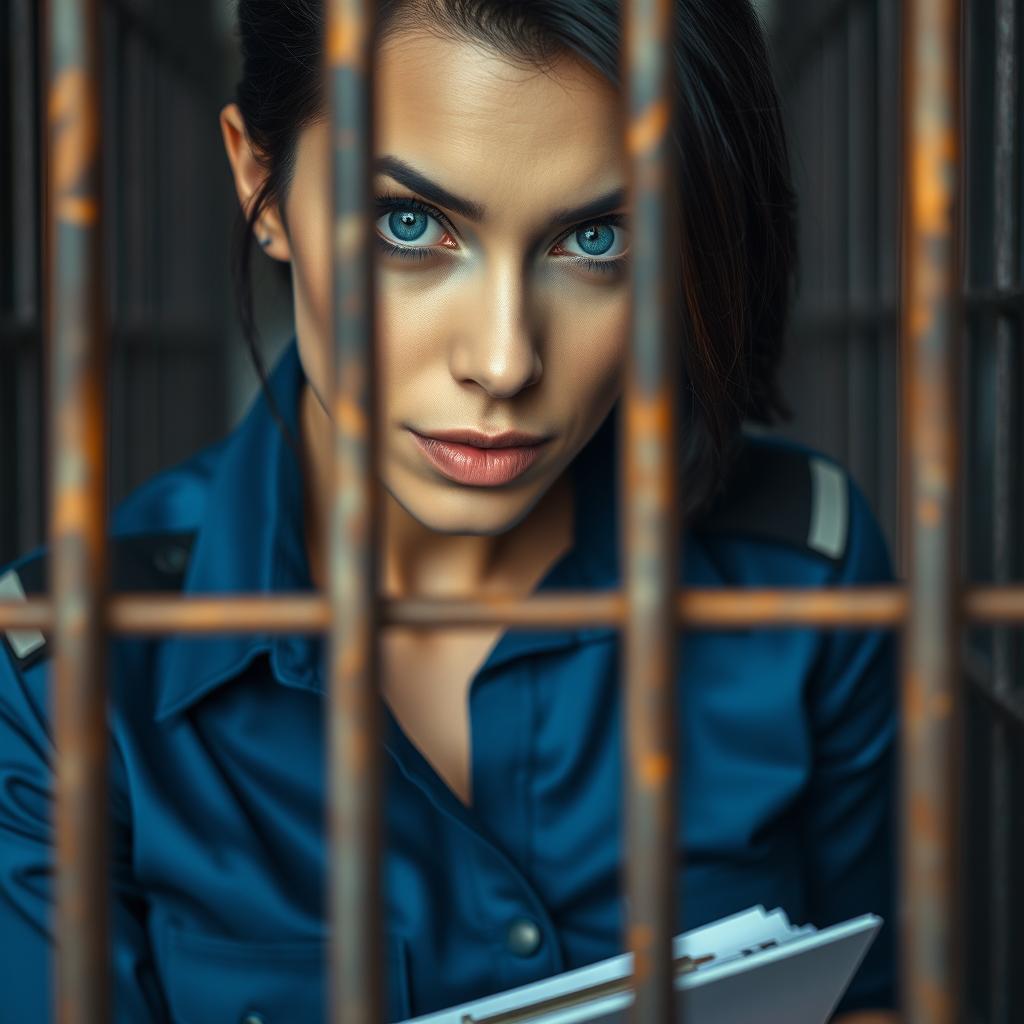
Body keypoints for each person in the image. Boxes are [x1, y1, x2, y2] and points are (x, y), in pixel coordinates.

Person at [0, 1, 900, 1021]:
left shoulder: (804, 573)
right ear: (263, 184)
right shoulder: (67, 674)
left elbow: (869, 993)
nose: (504, 359)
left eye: (597, 238)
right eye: (408, 224)